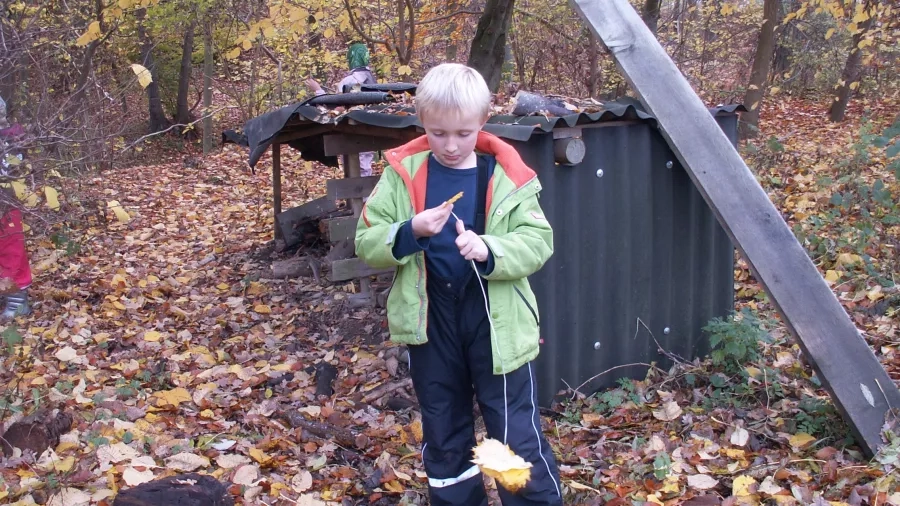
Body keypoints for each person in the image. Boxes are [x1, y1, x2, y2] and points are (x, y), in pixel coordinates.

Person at [354, 63, 562, 505]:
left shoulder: (506, 174)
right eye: (438, 133)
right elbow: (366, 242)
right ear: (422, 123)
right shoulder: (402, 173)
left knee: (513, 433)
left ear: (483, 122)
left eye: (463, 134)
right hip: (431, 320)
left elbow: (538, 242)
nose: (450, 145)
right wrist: (411, 230)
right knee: (445, 432)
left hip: (496, 317)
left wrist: (490, 251)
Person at [304, 42, 377, 177]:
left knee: (355, 169)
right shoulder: (374, 81)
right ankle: (365, 196)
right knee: (365, 167)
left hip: (351, 132)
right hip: (370, 131)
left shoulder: (348, 81)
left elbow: (335, 108)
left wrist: (318, 91)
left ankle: (361, 197)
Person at [0, 95, 31, 320]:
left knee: (10, 246)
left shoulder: (11, 137)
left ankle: (18, 300)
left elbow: (16, 169)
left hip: (6, 199)